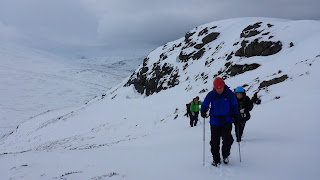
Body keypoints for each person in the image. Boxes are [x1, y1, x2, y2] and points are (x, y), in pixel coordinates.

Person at [201, 77, 240, 166]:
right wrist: (203, 109)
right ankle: (216, 159)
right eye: (217, 88)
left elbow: (234, 105)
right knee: (214, 142)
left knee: (228, 140)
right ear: (214, 87)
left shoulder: (229, 94)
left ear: (223, 86)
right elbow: (205, 103)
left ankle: (225, 155)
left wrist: (236, 115)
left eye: (220, 88)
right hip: (215, 121)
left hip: (227, 120)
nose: (219, 90)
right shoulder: (211, 94)